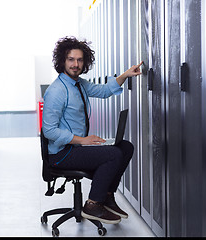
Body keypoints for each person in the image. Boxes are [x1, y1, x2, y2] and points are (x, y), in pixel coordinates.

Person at [42, 36, 143, 224]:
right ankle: (93, 204)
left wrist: (125, 75)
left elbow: (104, 91)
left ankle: (106, 196)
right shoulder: (57, 91)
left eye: (79, 60)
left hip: (75, 148)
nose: (75, 64)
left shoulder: (79, 84)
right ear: (62, 61)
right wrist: (82, 140)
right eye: (71, 59)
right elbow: (49, 131)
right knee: (112, 154)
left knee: (125, 147)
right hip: (62, 153)